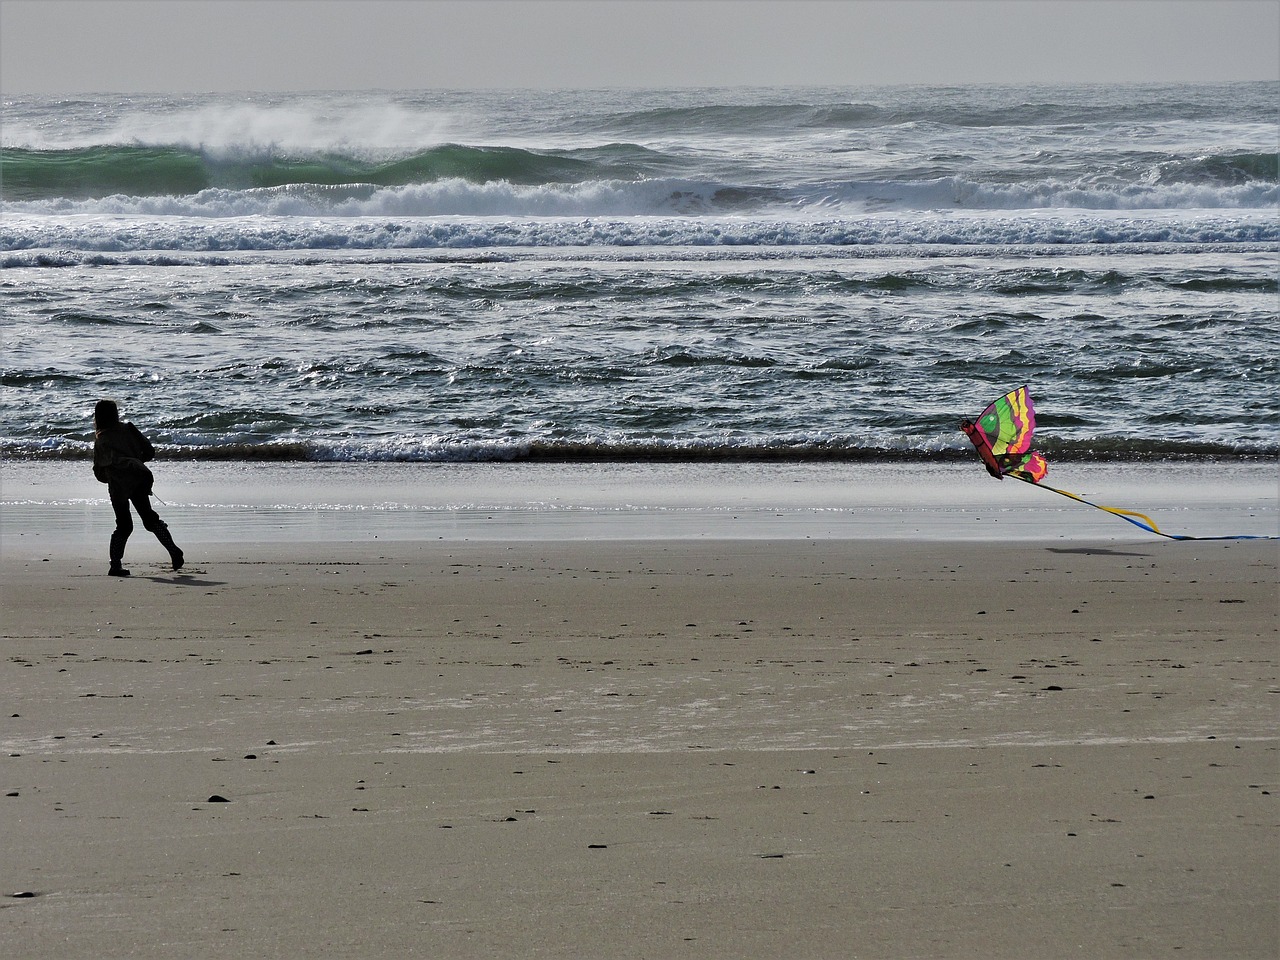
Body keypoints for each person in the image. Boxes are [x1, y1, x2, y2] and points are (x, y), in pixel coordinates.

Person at [92, 399, 183, 577]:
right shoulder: (128, 429)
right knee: (150, 520)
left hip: (117, 486)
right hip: (137, 480)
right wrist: (135, 461)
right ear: (115, 413)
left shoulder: (101, 439)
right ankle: (173, 551)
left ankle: (115, 565)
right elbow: (149, 451)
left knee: (124, 526)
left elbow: (98, 471)